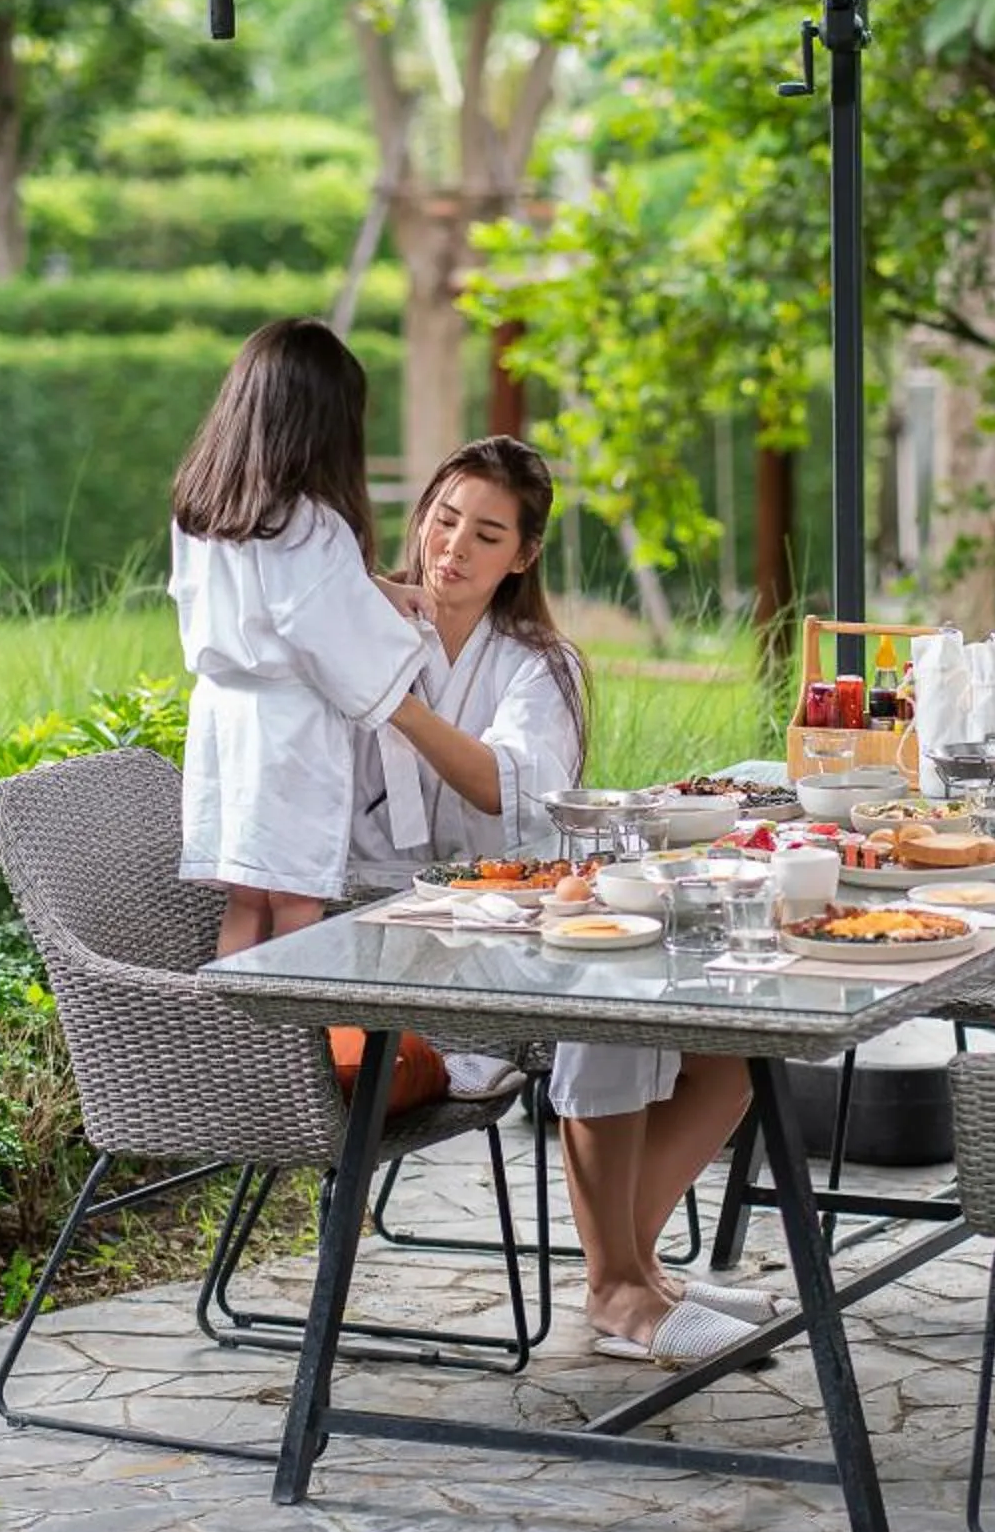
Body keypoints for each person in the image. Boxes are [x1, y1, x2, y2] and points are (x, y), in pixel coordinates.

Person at [348, 436, 780, 1367]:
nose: (453, 547)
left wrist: (395, 704)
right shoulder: (362, 632)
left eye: (487, 534)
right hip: (396, 926)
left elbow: (504, 787)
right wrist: (374, 655)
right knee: (607, 1005)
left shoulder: (538, 662)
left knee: (725, 1053)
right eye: (444, 519)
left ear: (523, 555)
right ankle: (620, 1288)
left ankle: (632, 1267)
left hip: (519, 911)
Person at [167, 320, 432, 956]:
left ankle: (233, 1018)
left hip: (224, 720)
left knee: (247, 896)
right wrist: (405, 651)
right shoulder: (310, 522)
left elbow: (272, 595)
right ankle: (296, 1019)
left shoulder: (204, 509)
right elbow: (324, 628)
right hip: (288, 733)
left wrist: (373, 588)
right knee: (297, 897)